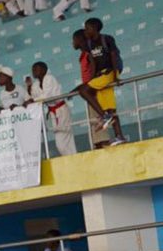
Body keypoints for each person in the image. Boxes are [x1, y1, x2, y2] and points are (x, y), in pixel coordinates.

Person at [75, 18, 127, 146]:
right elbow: (92, 63)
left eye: (87, 28)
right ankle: (119, 136)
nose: (85, 31)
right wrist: (92, 79)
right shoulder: (88, 44)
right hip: (100, 76)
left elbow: (113, 55)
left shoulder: (107, 39)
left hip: (109, 72)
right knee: (110, 108)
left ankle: (104, 117)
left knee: (83, 90)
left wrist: (115, 76)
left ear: (94, 28)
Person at [25, 62, 76, 156]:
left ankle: (71, 158)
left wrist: (32, 100)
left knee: (63, 140)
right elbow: (34, 97)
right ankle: (69, 158)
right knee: (61, 140)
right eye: (33, 69)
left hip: (61, 109)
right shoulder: (36, 84)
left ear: (44, 70)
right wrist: (29, 89)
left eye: (36, 69)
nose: (34, 71)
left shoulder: (49, 78)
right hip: (53, 112)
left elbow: (46, 95)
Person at [72, 30, 111, 149]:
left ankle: (104, 146)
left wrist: (90, 86)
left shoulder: (89, 53)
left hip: (93, 92)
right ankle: (99, 147)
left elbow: (93, 72)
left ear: (80, 40)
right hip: (89, 92)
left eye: (74, 39)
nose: (72, 42)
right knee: (95, 123)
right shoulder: (83, 55)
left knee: (99, 123)